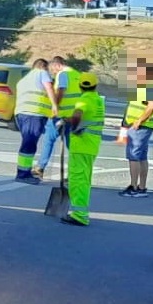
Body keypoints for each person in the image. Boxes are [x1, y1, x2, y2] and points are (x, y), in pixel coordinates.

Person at [61, 72, 106, 227]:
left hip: (81, 145)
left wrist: (70, 123)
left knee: (78, 179)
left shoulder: (83, 99)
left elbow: (78, 115)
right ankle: (81, 212)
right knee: (85, 180)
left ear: (80, 85)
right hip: (92, 146)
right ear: (95, 86)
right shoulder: (98, 100)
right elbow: (89, 119)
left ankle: (79, 214)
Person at [119, 62, 153, 198]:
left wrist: (139, 120)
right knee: (141, 157)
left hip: (140, 126)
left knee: (134, 156)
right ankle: (141, 187)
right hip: (141, 126)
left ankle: (134, 187)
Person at [34, 56, 81, 178]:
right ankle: (74, 173)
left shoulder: (63, 75)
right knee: (72, 146)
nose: (53, 73)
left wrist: (56, 106)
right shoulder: (77, 74)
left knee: (48, 141)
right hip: (74, 116)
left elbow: (61, 91)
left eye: (53, 70)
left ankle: (40, 168)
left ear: (57, 65)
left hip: (60, 115)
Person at [13, 58, 52, 184]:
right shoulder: (42, 73)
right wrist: (55, 106)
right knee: (29, 144)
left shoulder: (25, 79)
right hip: (34, 113)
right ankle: (23, 174)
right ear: (44, 67)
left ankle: (24, 172)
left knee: (27, 143)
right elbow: (49, 88)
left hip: (22, 114)